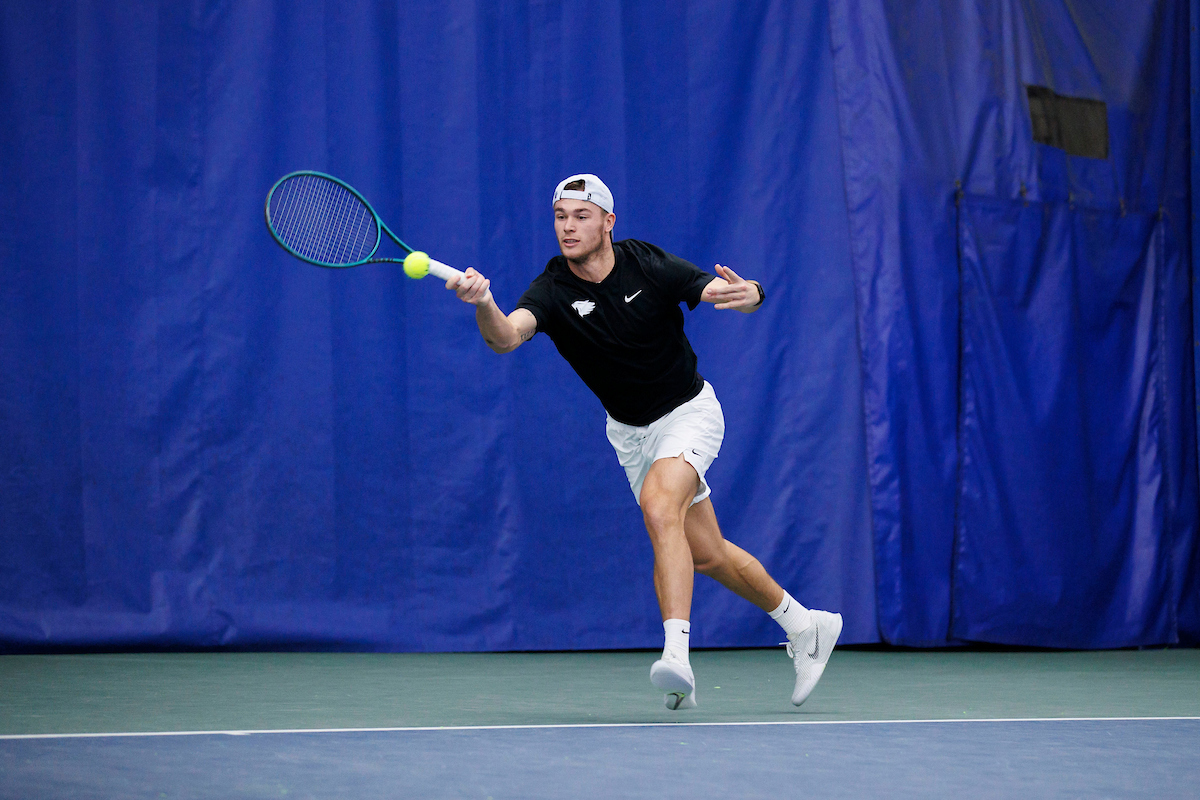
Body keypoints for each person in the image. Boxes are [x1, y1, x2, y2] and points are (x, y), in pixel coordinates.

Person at [445, 173, 842, 710]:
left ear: (609, 221)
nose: (568, 227)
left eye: (581, 216)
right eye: (561, 217)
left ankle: (677, 655)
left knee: (661, 506)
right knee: (708, 554)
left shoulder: (647, 264)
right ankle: (805, 626)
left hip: (689, 412)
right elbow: (506, 337)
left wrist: (750, 294)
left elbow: (718, 291)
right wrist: (483, 303)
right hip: (630, 434)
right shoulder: (552, 289)